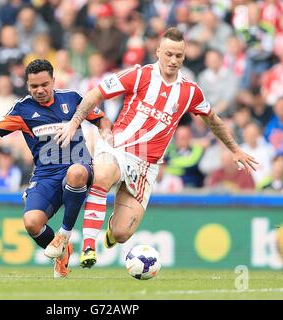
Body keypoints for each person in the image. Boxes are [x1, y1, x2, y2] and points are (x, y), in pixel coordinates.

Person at [55, 27, 258, 268]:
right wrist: (74, 122)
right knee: (102, 173)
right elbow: (95, 94)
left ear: (184, 57)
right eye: (169, 54)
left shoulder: (190, 91)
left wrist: (234, 149)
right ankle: (88, 246)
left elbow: (213, 120)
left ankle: (111, 231)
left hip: (146, 166)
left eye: (179, 56)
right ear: (158, 51)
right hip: (117, 148)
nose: (173, 60)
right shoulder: (139, 75)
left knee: (122, 234)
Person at [0, 59, 111, 278]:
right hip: (46, 175)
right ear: (27, 85)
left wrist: (106, 133)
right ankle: (63, 251)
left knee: (76, 173)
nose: (40, 90)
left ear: (53, 81)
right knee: (32, 223)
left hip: (78, 168)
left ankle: (63, 235)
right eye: (34, 86)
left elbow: (102, 119)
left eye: (44, 84)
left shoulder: (72, 98)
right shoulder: (22, 109)